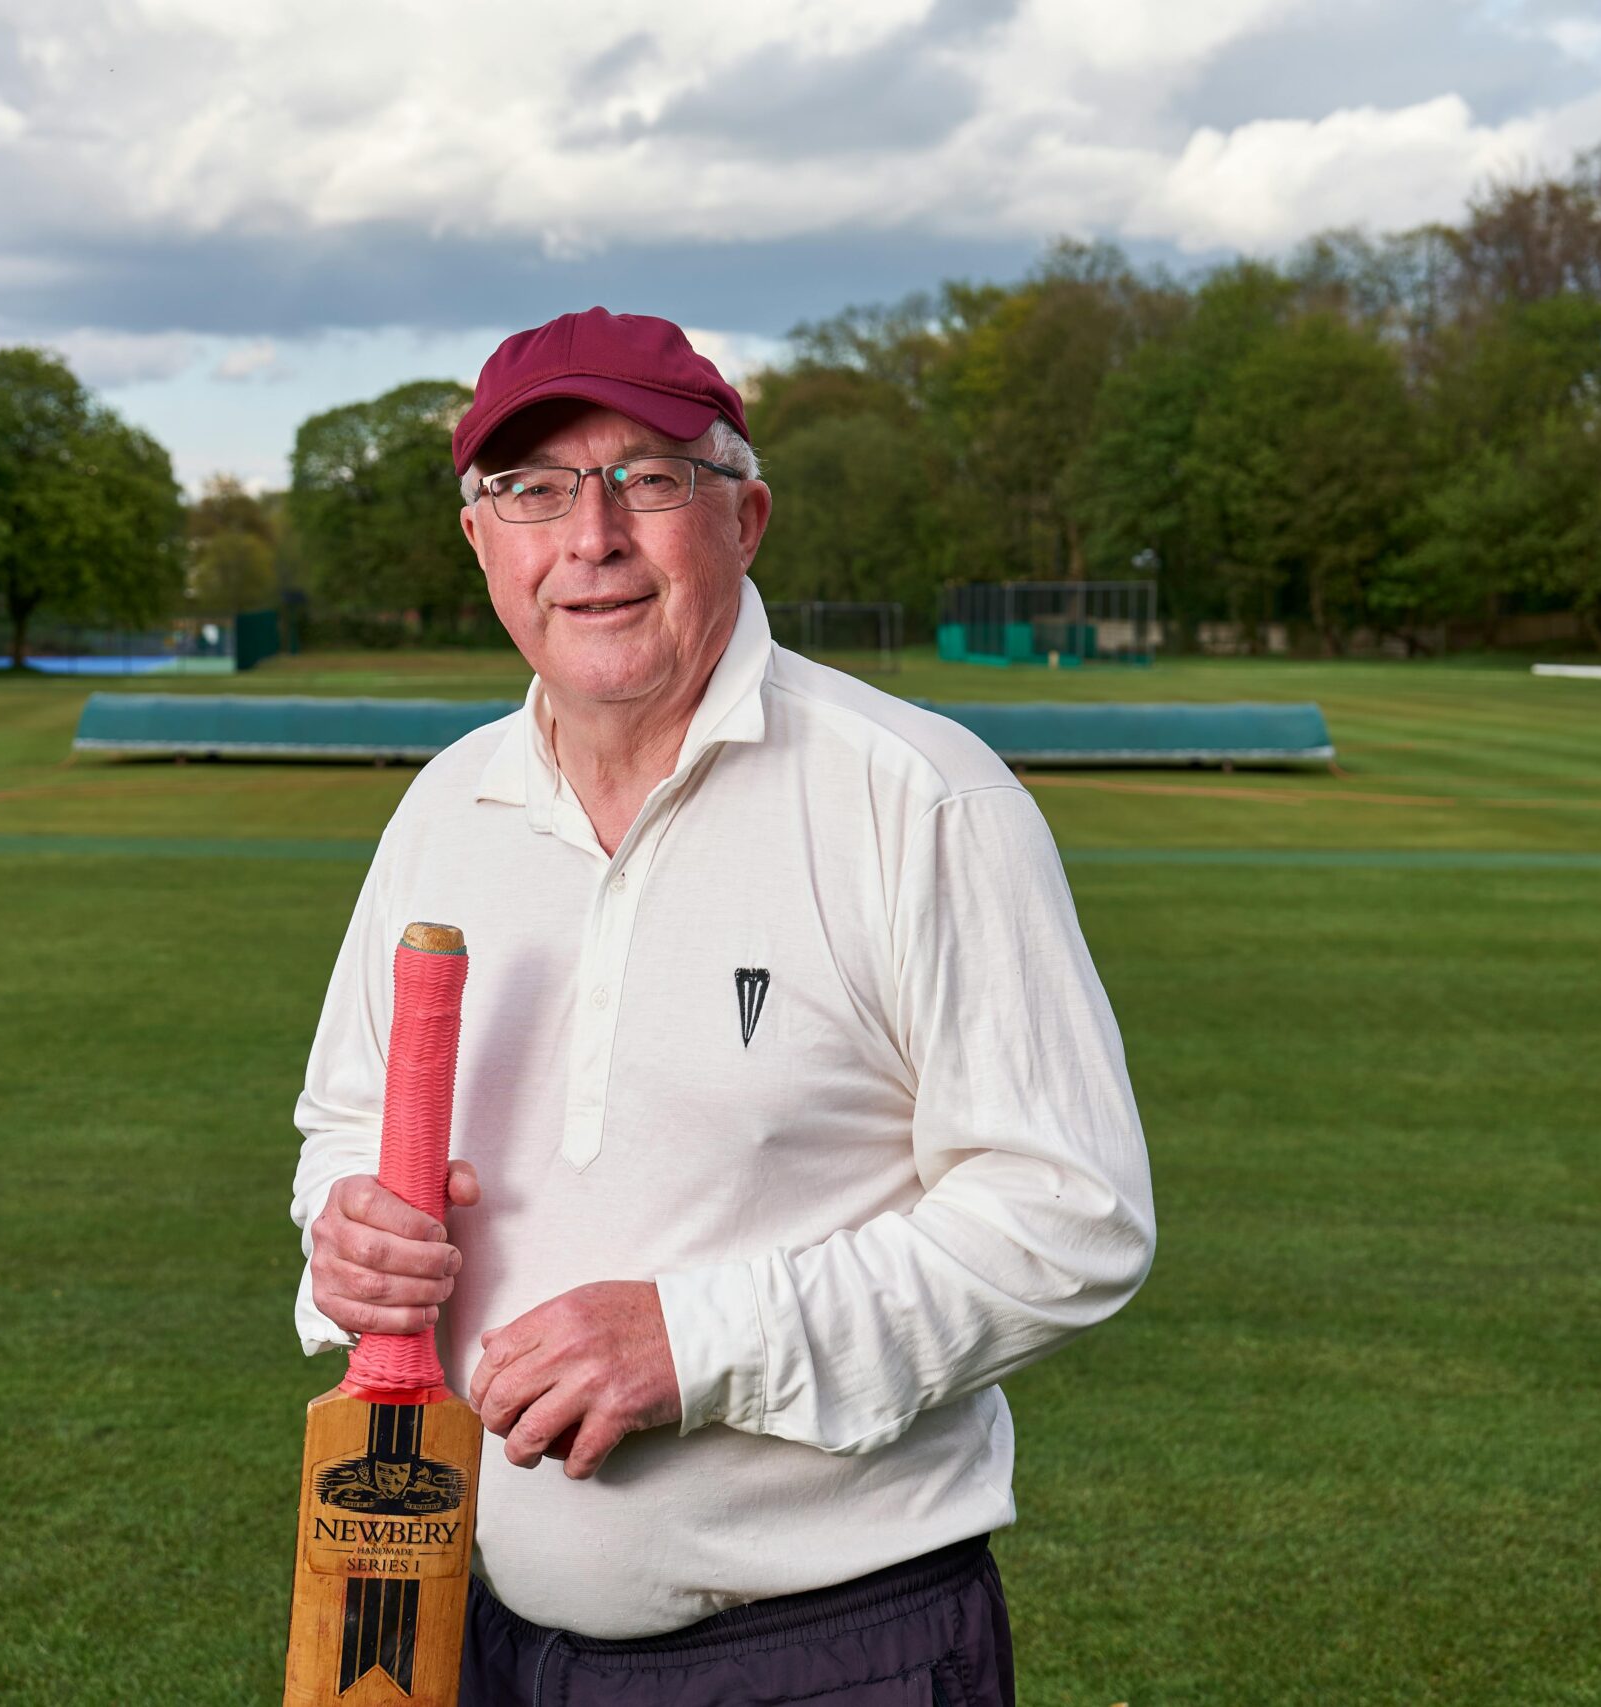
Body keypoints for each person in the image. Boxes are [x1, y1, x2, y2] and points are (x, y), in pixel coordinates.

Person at [289, 307, 1155, 1704]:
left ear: (744, 516)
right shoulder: (445, 808)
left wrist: (700, 1343)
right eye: (533, 489)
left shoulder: (920, 798)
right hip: (474, 1632)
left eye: (647, 476)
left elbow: (1073, 1220)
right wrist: (347, 1228)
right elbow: (345, 1115)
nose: (592, 537)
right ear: (481, 542)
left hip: (828, 1656)